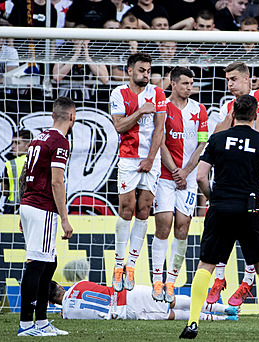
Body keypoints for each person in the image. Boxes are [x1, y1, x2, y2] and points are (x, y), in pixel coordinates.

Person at [180, 95, 259, 339]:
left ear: (233, 114)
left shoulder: (216, 139)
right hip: (251, 208)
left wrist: (214, 199)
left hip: (221, 207)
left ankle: (193, 323)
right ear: (256, 116)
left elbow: (201, 177)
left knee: (206, 265)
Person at [206, 62, 259, 308]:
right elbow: (214, 136)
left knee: (250, 234)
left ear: (247, 79)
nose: (230, 84)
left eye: (234, 79)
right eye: (228, 80)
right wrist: (230, 118)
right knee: (223, 231)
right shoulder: (229, 106)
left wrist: (232, 131)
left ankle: (247, 281)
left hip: (256, 174)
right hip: (233, 176)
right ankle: (220, 280)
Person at [17, 97, 76, 337]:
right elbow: (56, 180)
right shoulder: (60, 142)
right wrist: (64, 218)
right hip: (42, 208)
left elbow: (24, 174)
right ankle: (26, 325)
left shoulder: (38, 138)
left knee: (49, 262)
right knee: (36, 264)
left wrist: (23, 207)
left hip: (29, 204)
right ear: (72, 117)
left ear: (53, 115)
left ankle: (41, 321)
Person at [110, 53, 167, 293]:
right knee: (126, 209)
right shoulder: (118, 94)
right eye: (142, 70)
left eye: (148, 70)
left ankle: (131, 265)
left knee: (144, 210)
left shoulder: (158, 94)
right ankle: (118, 263)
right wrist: (141, 111)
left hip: (150, 160)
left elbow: (160, 129)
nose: (146, 74)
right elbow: (119, 126)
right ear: (130, 71)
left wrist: (151, 158)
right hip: (127, 158)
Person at [151, 67, 209, 303]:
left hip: (188, 178)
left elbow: (202, 143)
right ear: (172, 84)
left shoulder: (200, 110)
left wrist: (185, 171)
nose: (189, 87)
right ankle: (157, 280)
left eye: (191, 84)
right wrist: (175, 170)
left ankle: (171, 281)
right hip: (165, 176)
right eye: (184, 83)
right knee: (163, 224)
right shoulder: (162, 107)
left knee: (182, 228)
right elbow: (159, 140)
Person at [48, 280, 238, 321]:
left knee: (172, 314)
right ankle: (224, 308)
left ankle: (225, 319)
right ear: (61, 286)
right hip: (129, 294)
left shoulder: (67, 315)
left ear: (53, 303)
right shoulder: (80, 284)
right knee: (174, 301)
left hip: (125, 311)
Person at [2, 130, 32, 214]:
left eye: (17, 143)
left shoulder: (11, 164)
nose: (12, 146)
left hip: (12, 208)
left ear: (28, 145)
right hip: (33, 207)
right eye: (13, 143)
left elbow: (4, 191)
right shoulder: (40, 162)